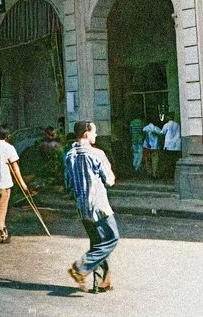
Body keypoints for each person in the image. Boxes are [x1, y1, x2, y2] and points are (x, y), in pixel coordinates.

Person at [64, 121, 119, 294]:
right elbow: (110, 180)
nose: (96, 135)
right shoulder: (97, 154)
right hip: (99, 205)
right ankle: (80, 268)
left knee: (98, 243)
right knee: (112, 238)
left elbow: (68, 183)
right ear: (86, 134)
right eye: (94, 132)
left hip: (82, 206)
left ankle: (102, 283)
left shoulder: (70, 155)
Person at [0, 125, 30, 243]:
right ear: (7, 136)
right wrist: (22, 183)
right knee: (2, 207)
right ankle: (1, 231)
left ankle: (3, 229)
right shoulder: (9, 148)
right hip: (3, 183)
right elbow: (15, 168)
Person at [160, 113, 181, 178]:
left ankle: (169, 174)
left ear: (168, 117)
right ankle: (174, 173)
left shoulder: (167, 125)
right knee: (174, 160)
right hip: (176, 145)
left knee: (168, 161)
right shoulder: (177, 124)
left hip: (169, 145)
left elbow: (162, 133)